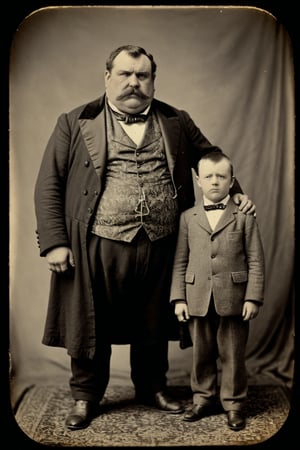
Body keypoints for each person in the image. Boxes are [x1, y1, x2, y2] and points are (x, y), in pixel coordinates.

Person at [34, 45, 255, 431]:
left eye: (143, 76)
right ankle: (85, 396)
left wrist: (235, 191)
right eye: (125, 74)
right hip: (97, 241)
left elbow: (211, 156)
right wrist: (55, 241)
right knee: (92, 320)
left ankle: (152, 387)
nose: (134, 83)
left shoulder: (175, 119)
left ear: (153, 80)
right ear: (107, 78)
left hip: (163, 241)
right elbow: (48, 184)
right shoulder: (74, 121)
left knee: (154, 319)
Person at [170, 150, 265, 431]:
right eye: (208, 177)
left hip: (233, 298)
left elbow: (256, 260)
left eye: (221, 177)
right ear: (198, 180)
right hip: (197, 296)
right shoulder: (188, 217)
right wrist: (178, 298)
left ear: (231, 181)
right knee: (201, 352)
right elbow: (180, 260)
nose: (214, 182)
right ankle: (202, 398)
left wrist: (253, 297)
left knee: (233, 354)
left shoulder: (244, 216)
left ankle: (234, 404)